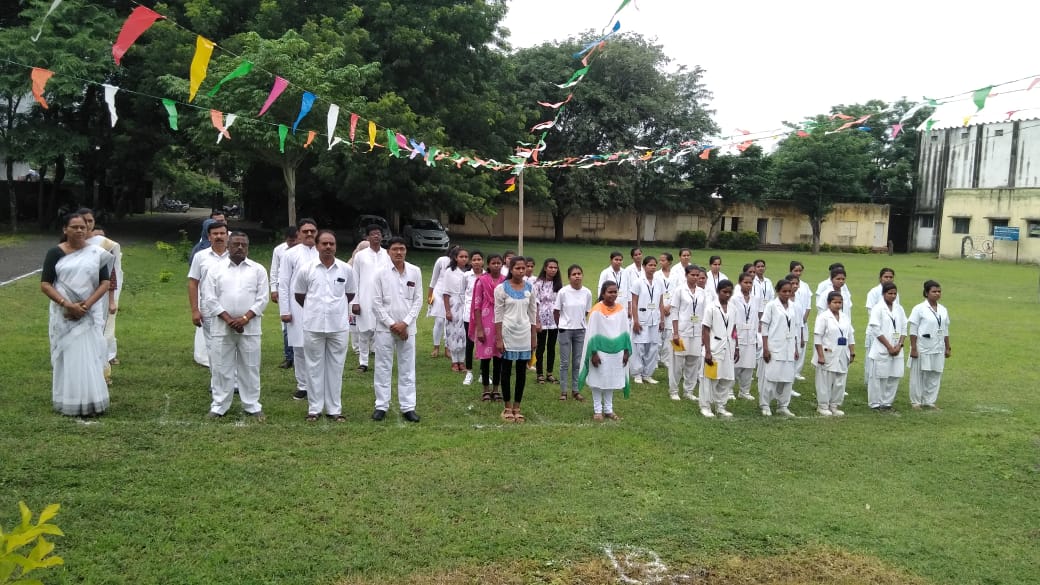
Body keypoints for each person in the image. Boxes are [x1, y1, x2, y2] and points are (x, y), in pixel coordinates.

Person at [40, 213, 111, 416]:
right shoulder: (55, 253)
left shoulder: (96, 253)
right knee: (68, 356)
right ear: (65, 229)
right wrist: (68, 305)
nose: (80, 230)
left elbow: (105, 282)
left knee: (89, 356)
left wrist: (85, 306)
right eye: (75, 227)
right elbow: (45, 284)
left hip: (87, 314)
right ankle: (69, 400)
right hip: (64, 314)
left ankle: (92, 399)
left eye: (83, 227)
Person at [202, 232, 269, 420]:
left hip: (250, 327)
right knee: (221, 367)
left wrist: (245, 318)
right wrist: (228, 319)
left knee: (250, 366)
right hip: (222, 327)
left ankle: (252, 405)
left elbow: (263, 299)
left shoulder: (258, 270)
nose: (240, 247)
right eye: (236, 244)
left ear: (248, 247)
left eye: (243, 245)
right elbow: (209, 298)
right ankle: (219, 405)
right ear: (228, 246)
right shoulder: (215, 270)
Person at [293, 230, 356, 421]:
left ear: (335, 246)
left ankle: (334, 409)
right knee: (313, 367)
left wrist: (335, 310)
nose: (328, 247)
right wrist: (315, 310)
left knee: (336, 368)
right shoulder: (307, 269)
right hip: (313, 325)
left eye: (332, 244)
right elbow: (299, 295)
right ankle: (314, 408)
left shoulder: (345, 269)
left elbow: (350, 294)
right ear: (317, 245)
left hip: (338, 326)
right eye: (324, 244)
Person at [372, 237, 424, 422]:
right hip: (385, 329)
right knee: (383, 367)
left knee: (407, 367)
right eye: (395, 249)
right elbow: (376, 303)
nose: (399, 252)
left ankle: (408, 407)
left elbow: (418, 300)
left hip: (408, 329)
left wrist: (405, 323)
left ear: (406, 250)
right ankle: (381, 405)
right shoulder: (380, 273)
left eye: (402, 248)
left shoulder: (415, 271)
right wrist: (392, 324)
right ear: (388, 252)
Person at [578, 281, 632, 421]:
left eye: (615, 292)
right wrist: (594, 353)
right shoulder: (596, 310)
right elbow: (592, 333)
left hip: (617, 351)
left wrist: (626, 351)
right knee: (597, 379)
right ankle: (597, 410)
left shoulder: (621, 309)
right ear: (603, 293)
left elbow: (625, 332)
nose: (613, 295)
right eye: (610, 292)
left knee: (611, 379)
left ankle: (608, 409)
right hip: (600, 351)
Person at [278, 219, 319, 400]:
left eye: (312, 231)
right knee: (299, 347)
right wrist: (285, 310)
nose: (309, 234)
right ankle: (302, 385)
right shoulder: (290, 254)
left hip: (319, 307)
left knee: (318, 347)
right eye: (305, 231)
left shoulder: (322, 251)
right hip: (297, 308)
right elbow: (284, 284)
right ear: (299, 234)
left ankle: (318, 384)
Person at [494, 257, 538, 422]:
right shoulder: (501, 289)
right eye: (517, 268)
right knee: (506, 370)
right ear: (511, 269)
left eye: (523, 268)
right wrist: (499, 338)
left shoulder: (530, 288)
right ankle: (507, 407)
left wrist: (533, 337)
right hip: (508, 333)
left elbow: (532, 314)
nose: (521, 271)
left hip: (524, 334)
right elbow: (498, 315)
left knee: (521, 372)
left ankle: (517, 407)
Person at [79, 210, 121, 368]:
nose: (87, 224)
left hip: (99, 296)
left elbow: (111, 274)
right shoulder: (70, 244)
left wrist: (111, 300)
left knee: (98, 330)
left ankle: (101, 367)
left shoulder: (104, 245)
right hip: (76, 294)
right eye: (84, 221)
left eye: (90, 221)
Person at [187, 220, 229, 371]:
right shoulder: (200, 256)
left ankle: (233, 378)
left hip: (231, 307)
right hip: (208, 308)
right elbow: (193, 283)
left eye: (222, 233)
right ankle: (216, 379)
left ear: (227, 236)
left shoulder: (235, 255)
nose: (219, 237)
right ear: (209, 237)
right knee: (213, 345)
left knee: (231, 344)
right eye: (215, 234)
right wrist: (195, 310)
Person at [351, 224, 392, 373]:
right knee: (363, 332)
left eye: (378, 233)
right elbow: (355, 279)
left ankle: (381, 361)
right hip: (364, 298)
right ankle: (363, 362)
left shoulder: (387, 255)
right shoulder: (360, 256)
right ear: (367, 237)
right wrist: (355, 301)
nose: (376, 236)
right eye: (373, 234)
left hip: (382, 299)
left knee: (381, 331)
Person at [908, 280, 951, 410]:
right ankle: (916, 402)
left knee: (935, 373)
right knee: (919, 374)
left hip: (938, 346)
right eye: (934, 291)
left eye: (939, 291)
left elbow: (945, 330)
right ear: (926, 293)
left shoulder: (943, 310)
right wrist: (914, 348)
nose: (937, 294)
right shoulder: (919, 309)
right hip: (922, 346)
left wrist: (947, 346)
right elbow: (913, 330)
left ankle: (929, 401)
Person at [759, 278, 800, 417]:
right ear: (777, 291)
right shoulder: (771, 305)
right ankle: (765, 404)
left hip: (789, 347)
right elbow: (764, 327)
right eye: (784, 291)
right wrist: (765, 348)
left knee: (788, 379)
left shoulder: (794, 306)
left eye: (789, 291)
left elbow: (794, 328)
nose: (787, 294)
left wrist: (795, 348)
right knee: (771, 377)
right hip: (774, 346)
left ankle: (783, 405)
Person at [814, 291, 856, 416]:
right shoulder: (823, 317)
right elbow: (817, 337)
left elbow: (850, 335)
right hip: (828, 352)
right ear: (829, 303)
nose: (838, 305)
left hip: (843, 352)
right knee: (825, 381)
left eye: (840, 302)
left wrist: (852, 352)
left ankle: (834, 405)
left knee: (840, 381)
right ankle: (823, 406)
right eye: (835, 302)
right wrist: (820, 356)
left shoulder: (845, 317)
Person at [470, 254, 505, 401]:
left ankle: (496, 389)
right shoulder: (481, 281)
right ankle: (485, 389)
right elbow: (477, 306)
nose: (496, 265)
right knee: (485, 359)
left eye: (498, 263)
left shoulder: (506, 281)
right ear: (488, 265)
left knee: (499, 358)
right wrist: (479, 329)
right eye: (493, 263)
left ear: (502, 264)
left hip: (502, 322)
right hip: (485, 322)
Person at [554, 264, 592, 401]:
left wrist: (579, 322)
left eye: (579, 274)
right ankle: (563, 391)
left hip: (580, 330)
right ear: (569, 277)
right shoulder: (563, 292)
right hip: (565, 330)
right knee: (564, 362)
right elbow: (556, 311)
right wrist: (561, 325)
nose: (577, 276)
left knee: (577, 362)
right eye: (574, 274)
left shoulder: (587, 293)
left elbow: (587, 311)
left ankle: (576, 390)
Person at [700, 279, 737, 418]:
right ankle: (705, 406)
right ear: (718, 291)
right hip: (714, 348)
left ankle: (721, 405)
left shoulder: (733, 308)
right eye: (724, 292)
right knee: (709, 379)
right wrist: (707, 351)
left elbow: (734, 329)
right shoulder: (711, 308)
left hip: (728, 348)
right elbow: (705, 329)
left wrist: (737, 347)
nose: (727, 295)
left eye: (729, 292)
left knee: (726, 378)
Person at [866, 282, 906, 411]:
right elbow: (875, 329)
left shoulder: (899, 309)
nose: (893, 296)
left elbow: (904, 328)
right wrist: (889, 347)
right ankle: (875, 403)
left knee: (894, 376)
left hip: (897, 349)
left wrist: (899, 345)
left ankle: (887, 403)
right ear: (883, 294)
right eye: (890, 293)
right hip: (882, 348)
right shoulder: (878, 308)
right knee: (878, 377)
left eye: (895, 293)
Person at [669, 265, 705, 401]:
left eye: (697, 275)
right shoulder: (679, 290)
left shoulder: (702, 292)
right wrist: (675, 332)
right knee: (677, 363)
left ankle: (688, 391)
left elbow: (704, 313)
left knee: (693, 362)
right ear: (686, 275)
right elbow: (674, 312)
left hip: (697, 332)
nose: (695, 278)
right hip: (681, 331)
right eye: (692, 275)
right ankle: (673, 390)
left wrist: (704, 333)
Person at [630, 255, 664, 385]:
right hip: (641, 319)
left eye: (654, 265)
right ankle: (637, 373)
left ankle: (647, 374)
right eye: (650, 265)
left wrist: (662, 320)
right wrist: (636, 320)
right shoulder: (638, 282)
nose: (653, 267)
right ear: (644, 266)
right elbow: (634, 303)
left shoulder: (659, 282)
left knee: (653, 347)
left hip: (654, 319)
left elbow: (661, 302)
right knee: (640, 347)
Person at [863, 268, 898, 386]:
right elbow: (871, 314)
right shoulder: (873, 292)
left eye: (890, 277)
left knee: (887, 357)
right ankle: (870, 382)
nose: (888, 279)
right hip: (875, 332)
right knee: (872, 358)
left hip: (890, 333)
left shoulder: (895, 294)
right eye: (885, 277)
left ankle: (884, 381)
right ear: (880, 278)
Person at [270, 226, 298, 369]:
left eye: (295, 240)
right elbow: (274, 271)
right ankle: (289, 357)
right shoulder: (279, 250)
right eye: (290, 240)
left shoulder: (304, 251)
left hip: (299, 290)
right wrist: (273, 289)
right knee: (286, 324)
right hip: (284, 289)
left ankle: (300, 355)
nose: (292, 243)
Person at [732, 272, 761, 401]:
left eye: (750, 283)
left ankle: (745, 391)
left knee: (749, 365)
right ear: (740, 283)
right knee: (735, 365)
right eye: (746, 282)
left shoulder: (755, 299)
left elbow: (756, 318)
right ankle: (729, 390)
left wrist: (757, 334)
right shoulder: (734, 299)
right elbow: (732, 319)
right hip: (738, 335)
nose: (748, 285)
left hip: (751, 336)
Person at [439, 247, 470, 372]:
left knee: (464, 333)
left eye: (466, 257)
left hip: (466, 304)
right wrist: (447, 310)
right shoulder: (449, 272)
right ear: (455, 258)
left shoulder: (469, 272)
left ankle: (461, 361)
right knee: (453, 332)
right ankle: (454, 361)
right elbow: (445, 292)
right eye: (461, 257)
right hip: (453, 304)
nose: (464, 259)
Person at [533, 258, 562, 384]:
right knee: (540, 347)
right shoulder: (538, 283)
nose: (553, 270)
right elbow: (535, 303)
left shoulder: (558, 285)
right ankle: (539, 373)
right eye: (550, 267)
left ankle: (549, 373)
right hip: (541, 319)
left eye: (555, 268)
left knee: (551, 347)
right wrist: (537, 321)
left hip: (554, 320)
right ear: (545, 268)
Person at [426, 245, 457, 357]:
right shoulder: (441, 260)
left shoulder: (460, 264)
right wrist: (430, 296)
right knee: (439, 321)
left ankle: (447, 348)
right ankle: (436, 347)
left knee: (449, 322)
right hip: (438, 293)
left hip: (451, 295)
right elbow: (433, 279)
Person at [461, 250, 484, 386]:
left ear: (483, 261)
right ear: (470, 262)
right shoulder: (466, 276)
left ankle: (483, 373)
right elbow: (462, 293)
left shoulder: (486, 276)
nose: (476, 262)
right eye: (474, 260)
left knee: (483, 343)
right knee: (469, 344)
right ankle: (469, 372)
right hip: (468, 315)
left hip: (483, 315)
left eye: (479, 259)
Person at [658, 252, 684, 368]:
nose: (661, 262)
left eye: (663, 260)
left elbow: (678, 292)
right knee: (658, 333)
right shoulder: (657, 275)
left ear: (669, 262)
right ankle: (656, 358)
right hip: (659, 306)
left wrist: (669, 306)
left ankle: (666, 358)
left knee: (669, 333)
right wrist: (662, 307)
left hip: (671, 307)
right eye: (660, 260)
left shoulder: (676, 275)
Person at [789, 261, 811, 382]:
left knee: (801, 345)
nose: (798, 273)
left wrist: (804, 319)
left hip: (802, 320)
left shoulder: (805, 285)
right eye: (795, 270)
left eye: (800, 271)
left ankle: (797, 371)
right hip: (791, 323)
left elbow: (808, 304)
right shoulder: (786, 287)